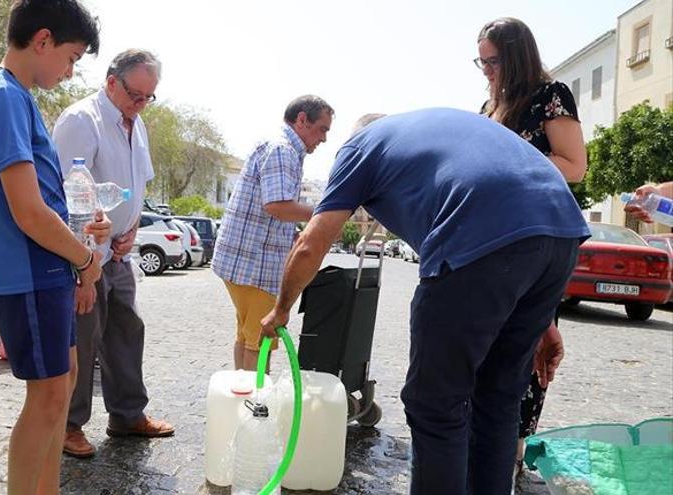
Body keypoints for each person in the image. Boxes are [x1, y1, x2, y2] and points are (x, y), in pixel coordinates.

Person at [260, 109, 590, 494]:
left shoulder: (359, 147)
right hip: (562, 232)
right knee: (499, 400)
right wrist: (539, 319)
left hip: (480, 235)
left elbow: (310, 243)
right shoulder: (432, 131)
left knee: (436, 404)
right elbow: (517, 222)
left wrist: (281, 309)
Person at [0, 1, 106, 493]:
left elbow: (41, 197)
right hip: (29, 271)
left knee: (60, 386)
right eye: (70, 57)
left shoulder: (15, 97)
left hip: (45, 269)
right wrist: (85, 258)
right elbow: (27, 210)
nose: (69, 71)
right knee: (45, 400)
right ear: (42, 39)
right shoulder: (1, 97)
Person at [476, 17, 588, 475]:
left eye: (493, 61)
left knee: (523, 349)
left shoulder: (551, 95)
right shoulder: (488, 105)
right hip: (489, 242)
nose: (485, 70)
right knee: (484, 348)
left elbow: (574, 165)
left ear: (517, 55)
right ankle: (482, 442)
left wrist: (511, 160)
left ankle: (514, 453)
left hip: (534, 240)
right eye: (480, 61)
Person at [53, 49, 173, 459]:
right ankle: (68, 424)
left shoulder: (136, 125)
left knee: (126, 332)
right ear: (110, 81)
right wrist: (83, 261)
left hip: (120, 252)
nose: (141, 105)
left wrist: (133, 227)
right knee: (82, 341)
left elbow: (138, 185)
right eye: (135, 95)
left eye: (148, 98)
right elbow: (64, 195)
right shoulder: (80, 120)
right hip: (84, 254)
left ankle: (126, 415)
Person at [212, 95, 333, 371]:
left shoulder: (278, 145)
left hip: (243, 263)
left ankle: (240, 401)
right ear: (302, 119)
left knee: (247, 337)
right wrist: (323, 214)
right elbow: (277, 205)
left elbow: (272, 208)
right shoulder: (283, 150)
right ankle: (256, 407)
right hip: (257, 266)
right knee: (260, 343)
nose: (324, 138)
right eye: (323, 129)